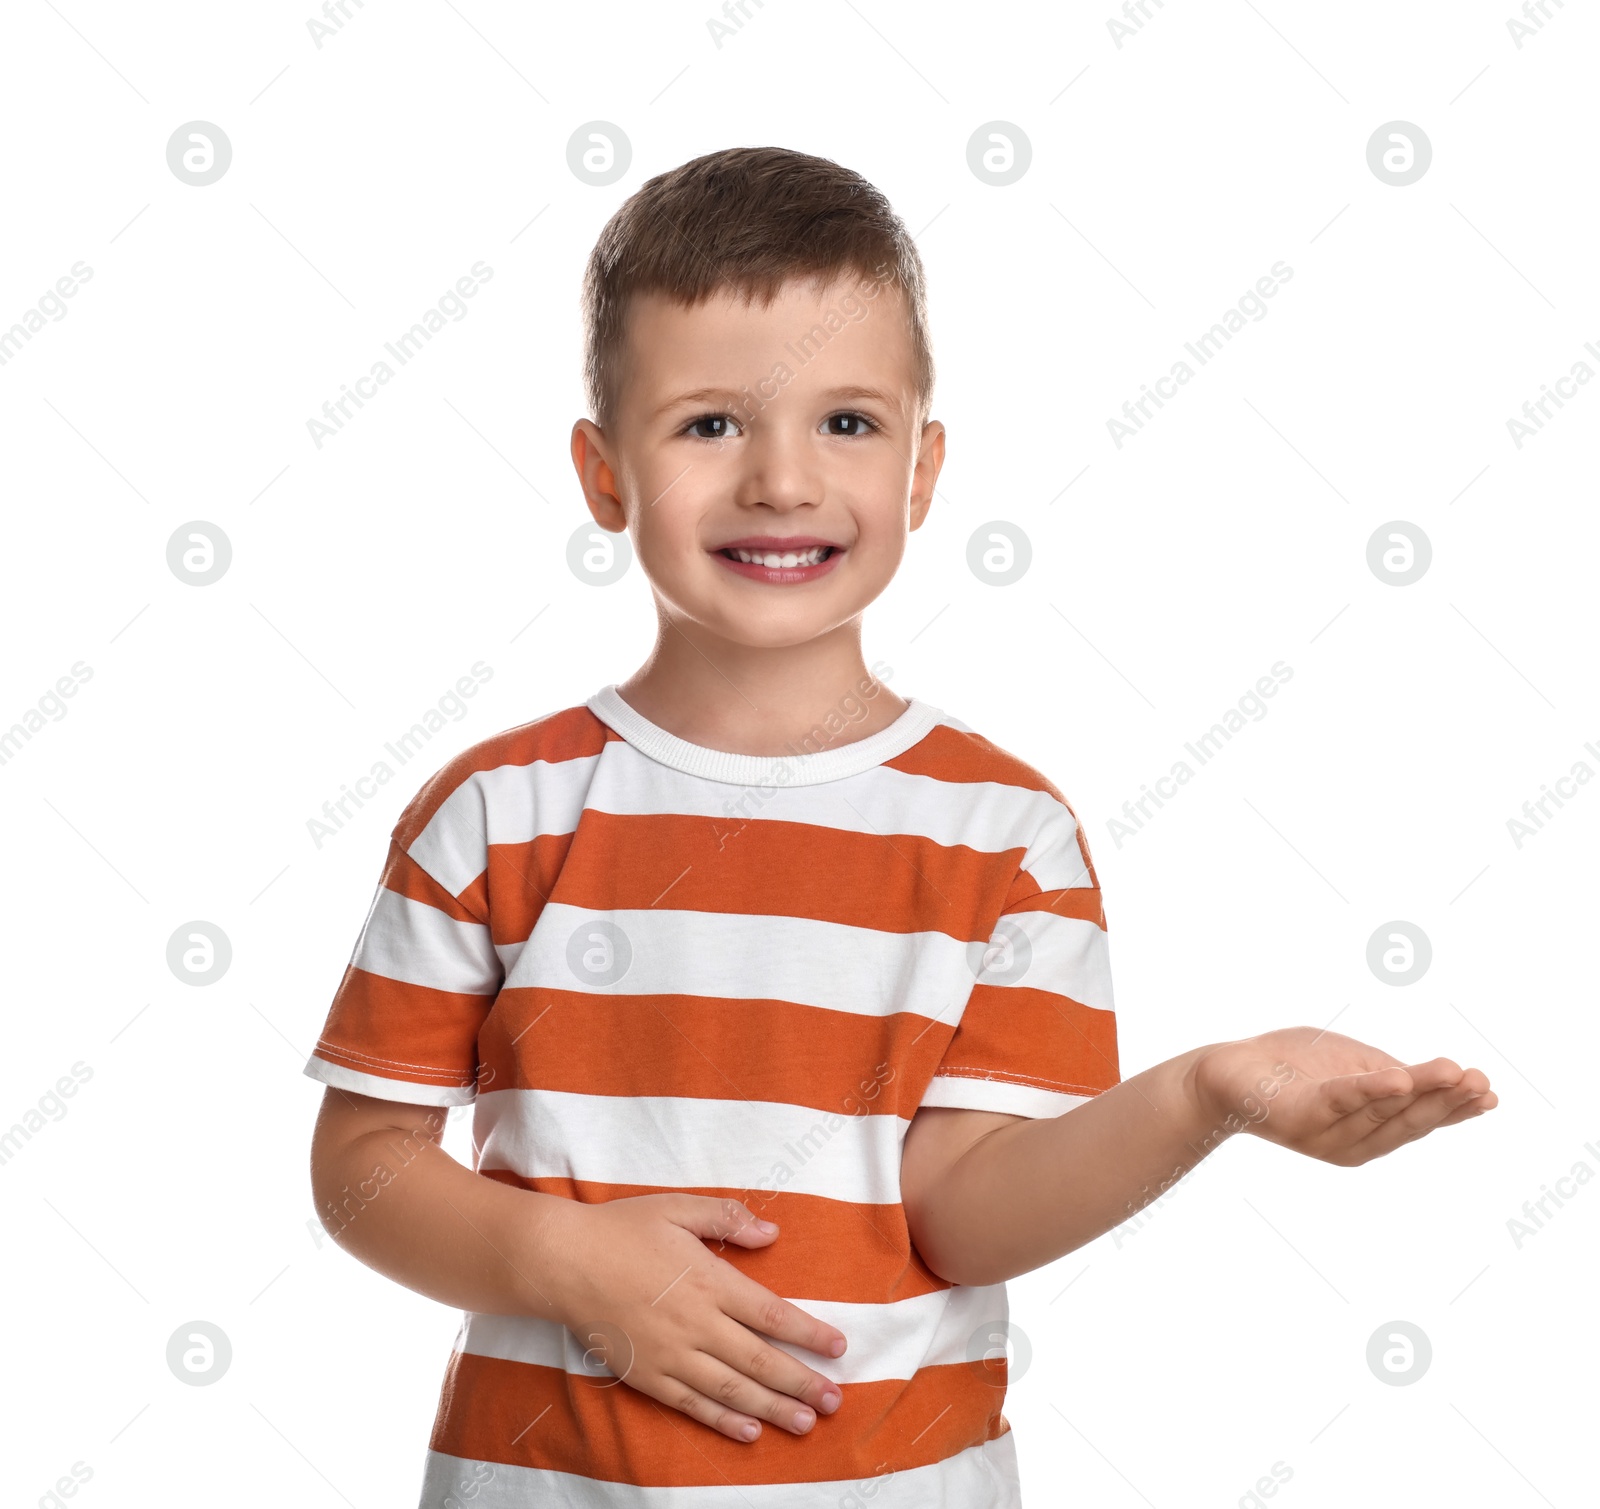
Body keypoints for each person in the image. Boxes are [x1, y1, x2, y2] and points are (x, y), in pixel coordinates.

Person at [303, 145, 1497, 1507]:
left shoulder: (1003, 834)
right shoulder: (494, 815)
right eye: (708, 425)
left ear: (924, 471)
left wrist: (1204, 1090)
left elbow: (962, 1209)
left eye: (847, 424)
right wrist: (565, 1263)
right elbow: (362, 1168)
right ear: (603, 473)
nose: (781, 481)